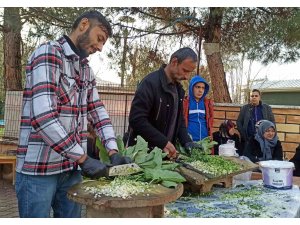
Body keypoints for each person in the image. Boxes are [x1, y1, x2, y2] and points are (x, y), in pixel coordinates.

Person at [15, 10, 131, 218]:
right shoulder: (49, 53)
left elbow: (97, 111)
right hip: (39, 171)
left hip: (71, 170)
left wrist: (113, 152)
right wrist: (84, 159)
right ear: (84, 25)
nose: (100, 47)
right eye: (99, 38)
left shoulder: (86, 69)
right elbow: (44, 117)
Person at [126, 47, 202, 158]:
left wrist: (187, 141)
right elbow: (136, 119)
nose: (187, 77)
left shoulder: (179, 90)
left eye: (189, 73)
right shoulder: (150, 83)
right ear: (174, 62)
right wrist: (163, 142)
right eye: (185, 71)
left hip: (165, 155)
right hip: (144, 155)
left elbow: (179, 119)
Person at [237, 89, 275, 154]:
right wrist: (243, 134)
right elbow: (239, 122)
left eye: (256, 96)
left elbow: (272, 122)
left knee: (261, 158)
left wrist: (270, 134)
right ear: (250, 97)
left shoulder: (266, 108)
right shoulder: (245, 108)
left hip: (263, 139)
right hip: (248, 139)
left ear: (259, 97)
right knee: (248, 158)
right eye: (252, 96)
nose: (254, 97)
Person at [183, 75, 214, 143]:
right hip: (189, 141)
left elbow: (210, 122)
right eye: (198, 87)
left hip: (204, 141)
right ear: (191, 87)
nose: (200, 90)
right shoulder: (185, 103)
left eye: (203, 88)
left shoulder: (207, 104)